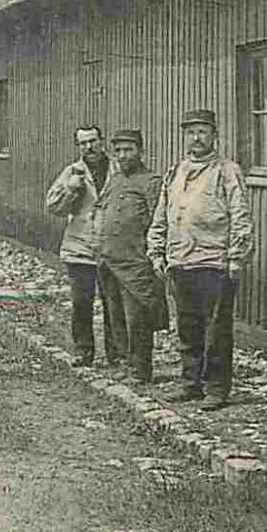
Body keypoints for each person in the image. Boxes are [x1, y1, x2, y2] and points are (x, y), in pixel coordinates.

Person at [146, 108, 253, 411]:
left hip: (215, 261)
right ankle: (191, 383)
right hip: (180, 261)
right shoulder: (176, 171)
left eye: (203, 131)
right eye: (191, 132)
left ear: (214, 135)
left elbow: (241, 215)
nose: (196, 137)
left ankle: (217, 388)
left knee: (216, 329)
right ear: (185, 136)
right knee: (187, 326)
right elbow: (161, 213)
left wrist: (236, 257)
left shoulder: (227, 170)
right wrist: (156, 251)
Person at [44, 126, 125, 368]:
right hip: (80, 248)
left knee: (114, 303)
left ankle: (117, 355)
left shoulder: (118, 169)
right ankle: (83, 351)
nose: (89, 147)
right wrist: (70, 189)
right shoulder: (72, 172)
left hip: (111, 249)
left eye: (93, 141)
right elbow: (53, 207)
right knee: (81, 303)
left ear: (102, 141)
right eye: (83, 143)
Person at [94, 129, 166, 382]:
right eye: (119, 151)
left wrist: (153, 257)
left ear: (140, 151)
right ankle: (124, 363)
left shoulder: (151, 182)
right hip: (109, 261)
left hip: (136, 265)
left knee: (138, 320)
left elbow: (159, 222)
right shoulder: (113, 181)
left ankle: (141, 369)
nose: (123, 155)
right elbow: (101, 211)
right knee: (116, 317)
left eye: (129, 150)